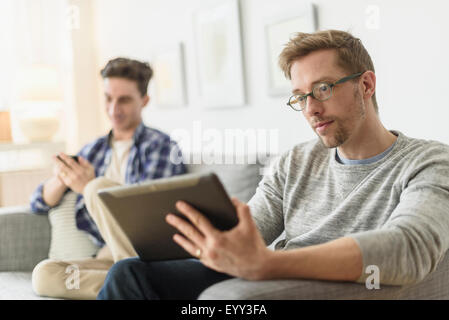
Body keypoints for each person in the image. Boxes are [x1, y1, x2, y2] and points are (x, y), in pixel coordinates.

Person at [97, 30, 449, 300]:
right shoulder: (296, 161)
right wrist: (218, 236)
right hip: (273, 276)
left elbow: (409, 248)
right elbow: (254, 230)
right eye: (300, 96)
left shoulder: (428, 162)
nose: (310, 108)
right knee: (129, 273)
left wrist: (267, 264)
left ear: (366, 85)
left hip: (317, 285)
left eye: (323, 88)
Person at [30, 57, 186, 299]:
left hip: (144, 251)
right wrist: (62, 179)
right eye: (108, 98)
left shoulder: (161, 146)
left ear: (144, 101)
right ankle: (134, 287)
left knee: (98, 187)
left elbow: (147, 216)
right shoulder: (93, 150)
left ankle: (136, 280)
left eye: (123, 100)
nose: (114, 109)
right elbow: (37, 204)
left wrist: (88, 187)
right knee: (44, 274)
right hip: (107, 254)